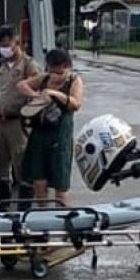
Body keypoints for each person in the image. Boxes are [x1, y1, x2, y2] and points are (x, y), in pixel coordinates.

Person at [18, 49, 85, 208]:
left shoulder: (74, 80)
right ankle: (43, 218)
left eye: (59, 69)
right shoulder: (44, 78)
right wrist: (38, 96)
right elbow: (21, 85)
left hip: (60, 136)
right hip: (40, 133)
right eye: (51, 68)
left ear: (66, 66)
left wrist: (55, 94)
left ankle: (61, 220)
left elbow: (76, 104)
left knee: (60, 182)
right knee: (39, 180)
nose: (55, 73)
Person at [0, 27, 40, 208]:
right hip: (0, 124)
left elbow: (36, 94)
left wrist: (14, 111)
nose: (4, 49)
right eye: (1, 46)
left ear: (17, 42)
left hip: (19, 123)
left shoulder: (28, 65)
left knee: (22, 165)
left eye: (7, 45)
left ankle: (23, 209)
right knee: (1, 166)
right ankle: (2, 207)